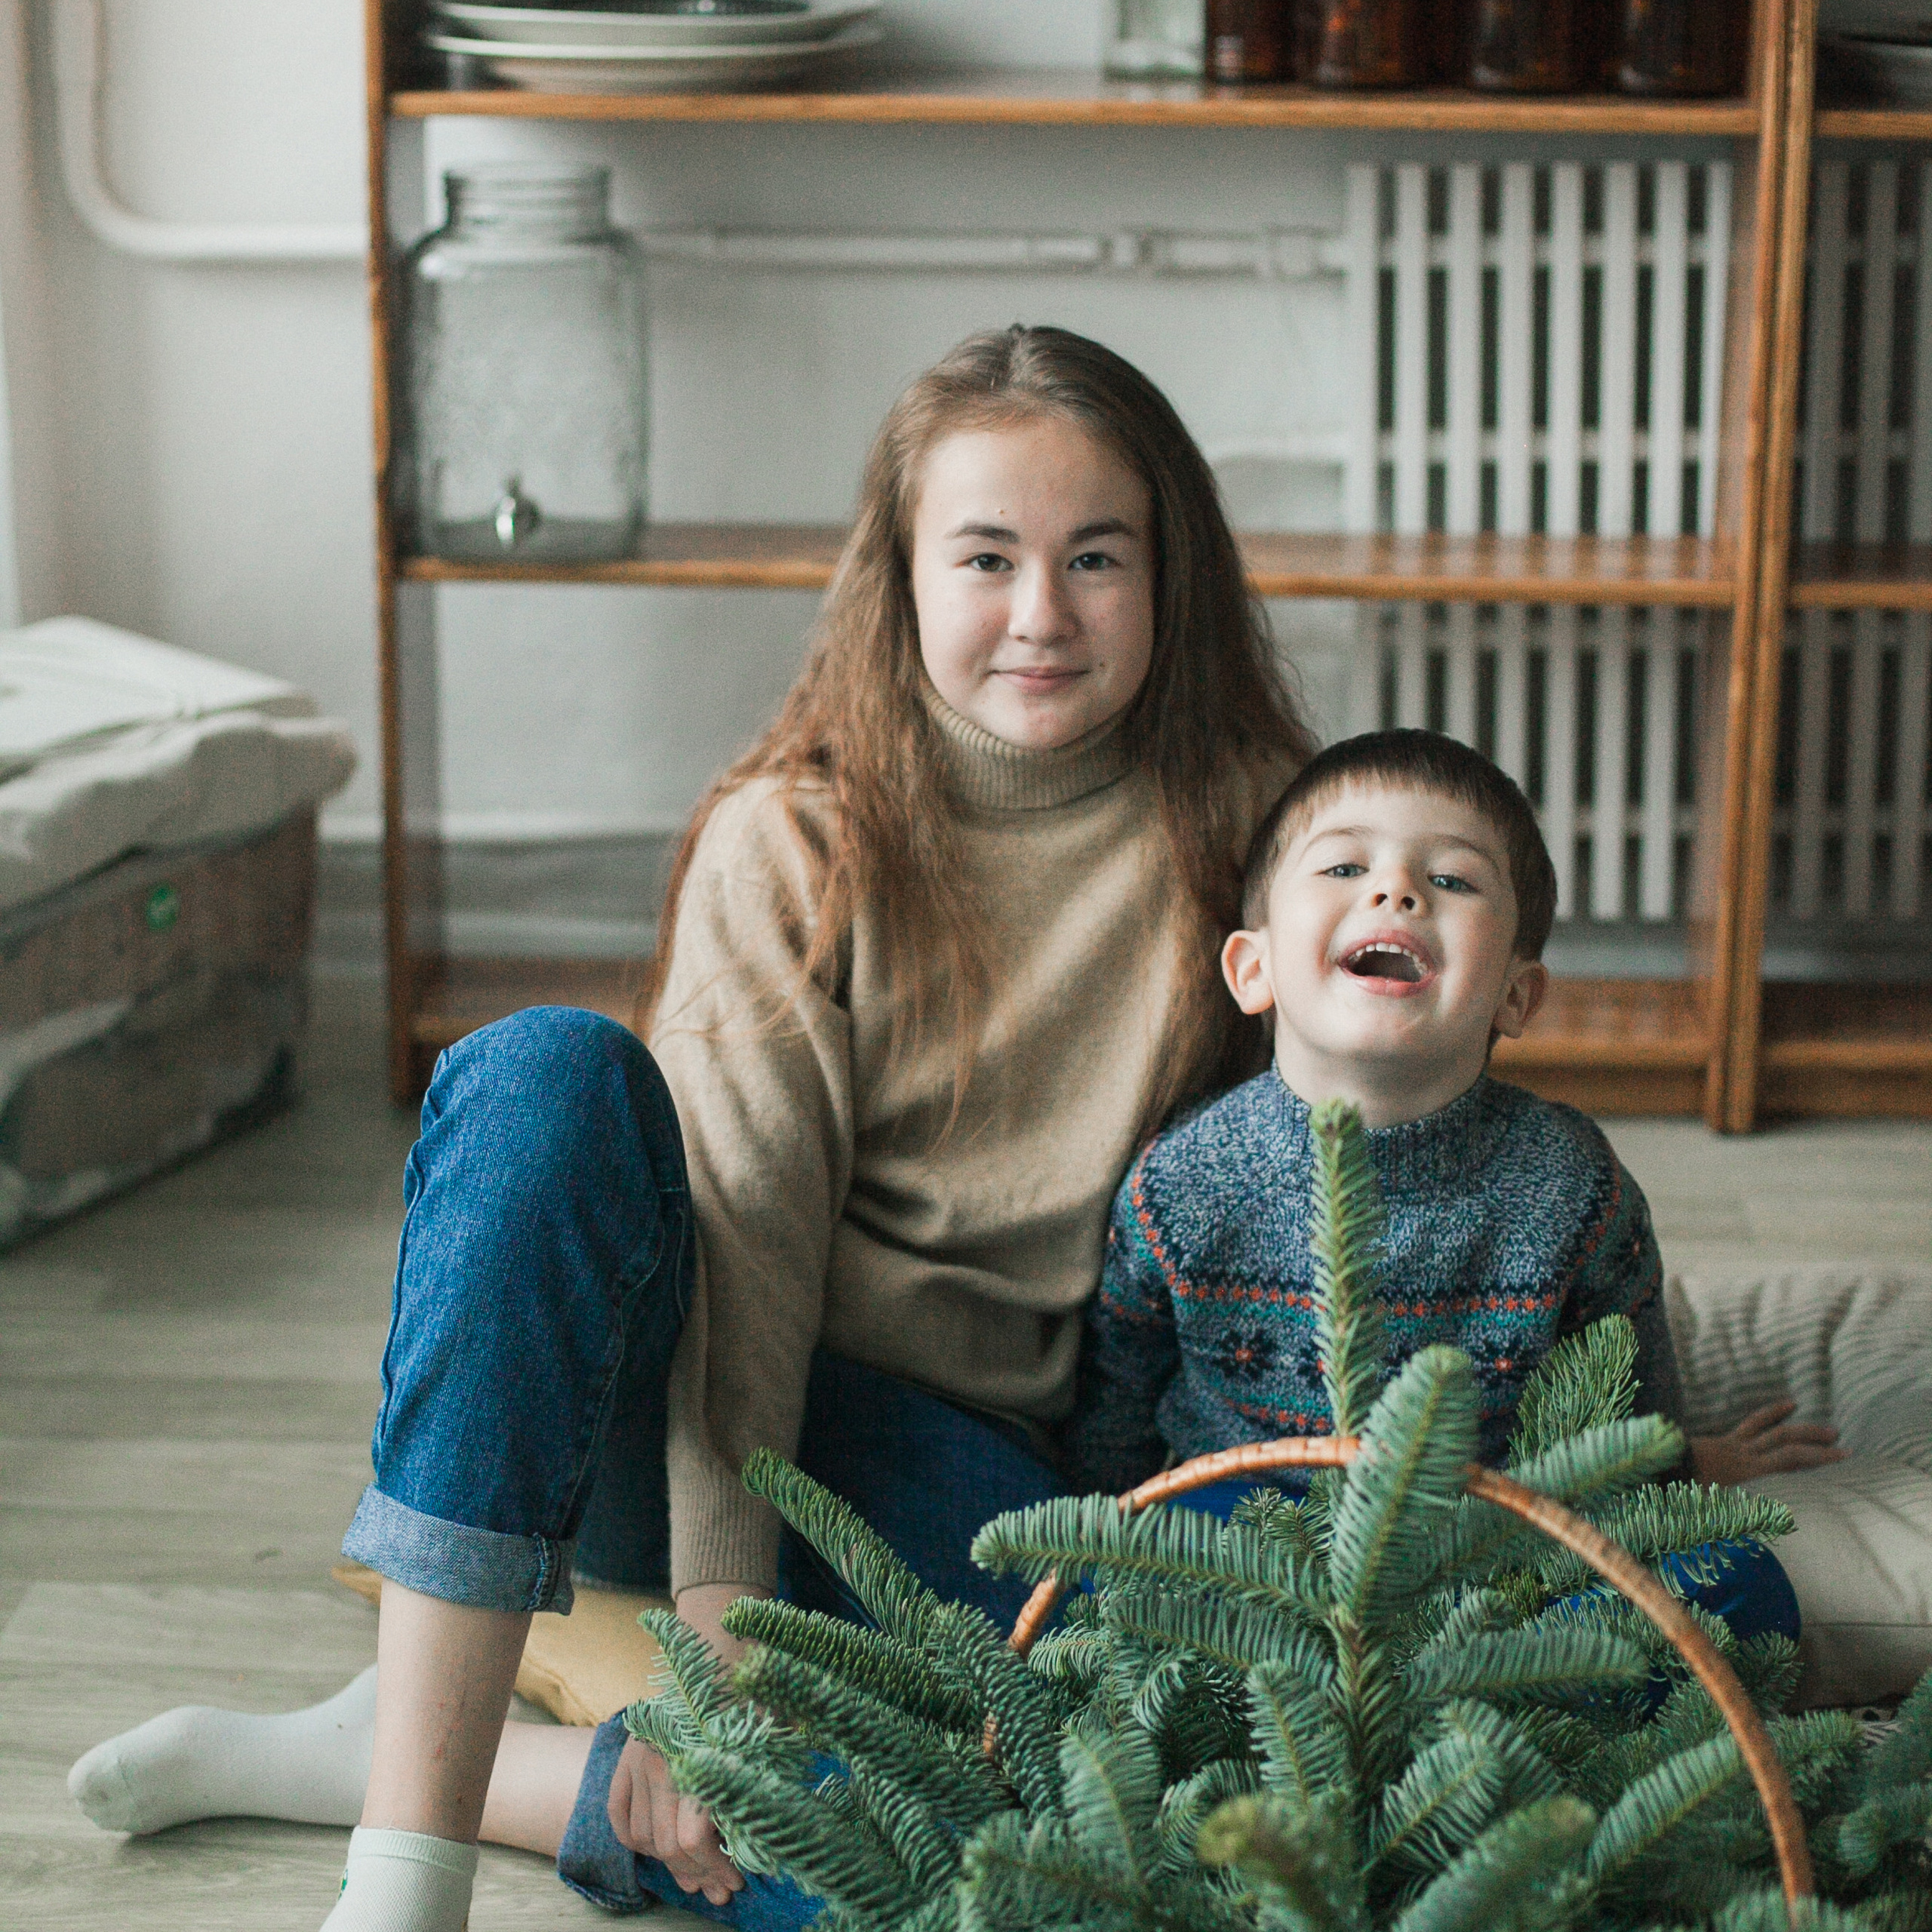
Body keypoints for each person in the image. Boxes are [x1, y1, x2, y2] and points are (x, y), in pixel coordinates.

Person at [65, 325, 1315, 1932]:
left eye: (1095, 558)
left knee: (1089, 1823)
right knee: (546, 1072)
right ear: (904, 573)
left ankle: (414, 1752)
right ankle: (404, 1862)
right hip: (678, 1420)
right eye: (986, 556)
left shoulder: (1261, 838)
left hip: (968, 1479)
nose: (1038, 613)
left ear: (1172, 573)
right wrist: (732, 1642)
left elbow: (1369, 1176)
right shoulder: (798, 828)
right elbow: (745, 1238)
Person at [1063, 728, 1845, 1621]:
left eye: (1451, 880)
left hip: (1489, 1546)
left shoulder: (1567, 1183)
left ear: (1516, 996)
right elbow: (1115, 1405)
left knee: (1736, 1587)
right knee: (1116, 1581)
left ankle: (1479, 1726)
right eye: (1342, 868)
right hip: (1247, 1541)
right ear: (1253, 968)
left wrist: (1681, 1462)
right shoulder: (1184, 1180)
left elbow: (1625, 1385)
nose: (1394, 891)